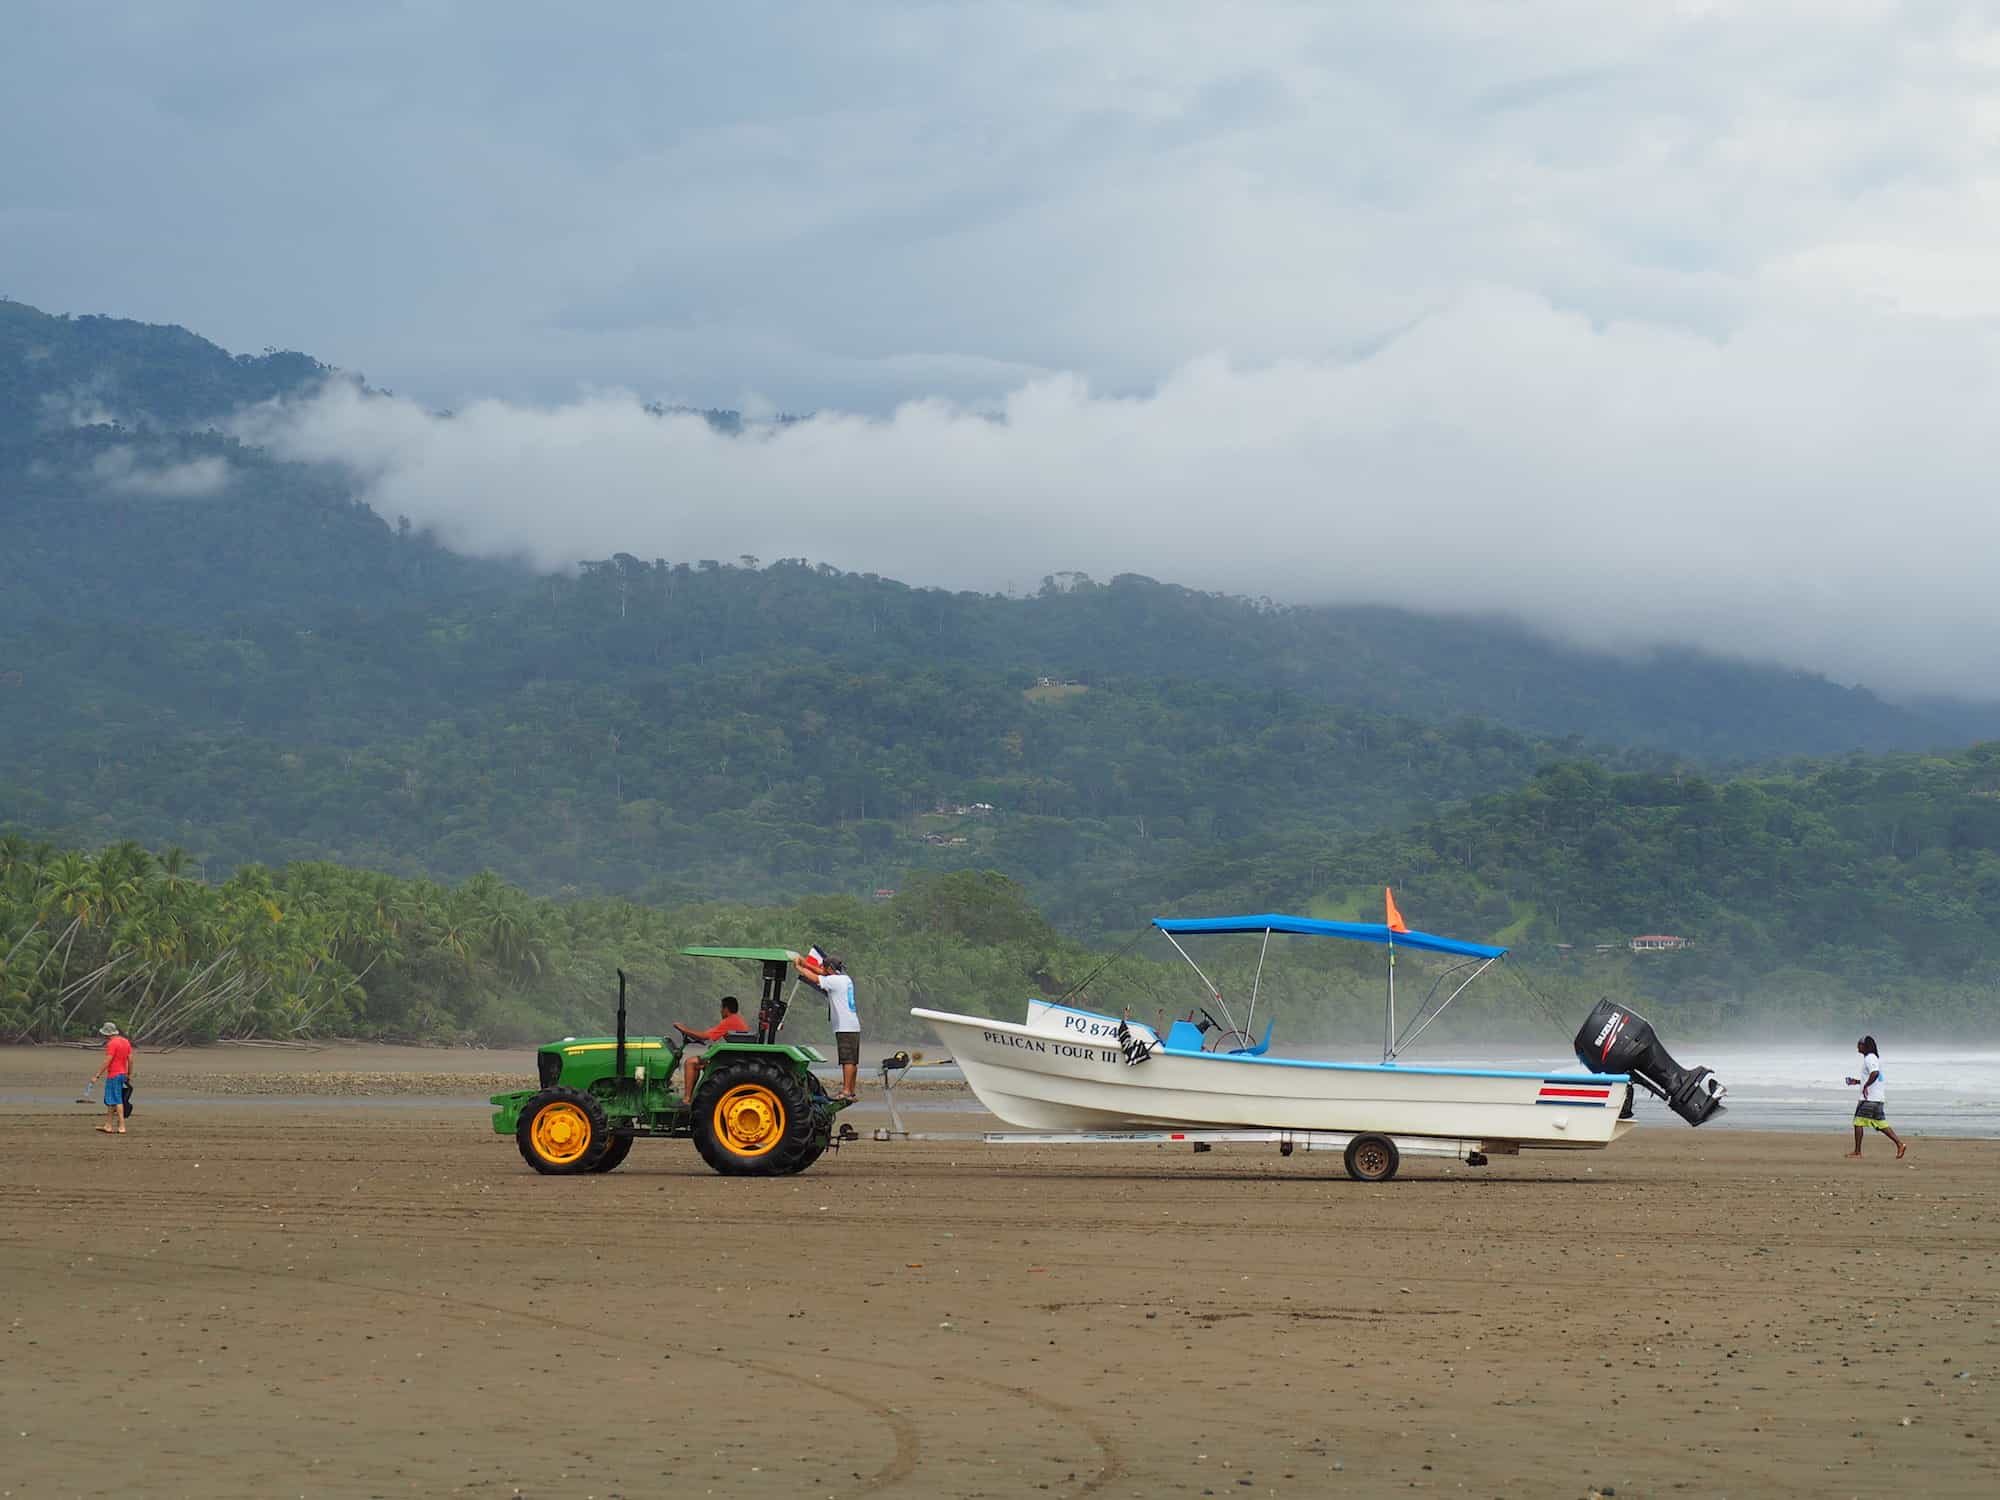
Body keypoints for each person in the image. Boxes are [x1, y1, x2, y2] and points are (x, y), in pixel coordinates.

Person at [795, 950, 860, 1101]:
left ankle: (846, 1091)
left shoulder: (834, 981)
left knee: (847, 1060)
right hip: (852, 1025)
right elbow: (821, 973)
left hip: (845, 1026)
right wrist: (806, 963)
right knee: (852, 1060)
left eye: (825, 968)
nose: (823, 971)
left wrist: (799, 968)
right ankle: (851, 1090)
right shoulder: (844, 979)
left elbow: (816, 978)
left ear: (830, 969)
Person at [675, 995, 751, 1100]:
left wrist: (684, 1029)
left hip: (730, 1059)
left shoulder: (729, 1021)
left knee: (690, 1062)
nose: (720, 1011)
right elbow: (707, 1035)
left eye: (721, 1008)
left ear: (726, 1009)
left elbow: (704, 1036)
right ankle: (692, 1097)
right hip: (734, 1056)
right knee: (696, 1065)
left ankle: (686, 1099)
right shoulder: (737, 1019)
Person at [1845, 1034, 1907, 1160]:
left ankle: (1857, 1152)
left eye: (1860, 1044)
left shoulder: (1870, 1058)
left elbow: (1875, 1073)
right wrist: (1857, 1082)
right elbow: (1873, 1076)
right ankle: (1900, 1144)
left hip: (1869, 1099)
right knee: (1881, 1124)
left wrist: (1866, 1086)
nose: (1857, 1046)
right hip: (1877, 1098)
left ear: (1865, 1046)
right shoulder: (1872, 1059)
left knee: (1858, 1122)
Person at [88, 1021, 133, 1136]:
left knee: (117, 1100)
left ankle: (122, 1125)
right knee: (111, 1100)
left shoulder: (112, 1044)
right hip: (122, 1074)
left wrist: (96, 1075)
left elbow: (107, 1060)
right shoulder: (125, 1042)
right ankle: (108, 1125)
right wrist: (129, 1074)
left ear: (107, 1034)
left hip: (114, 1074)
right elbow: (130, 1059)